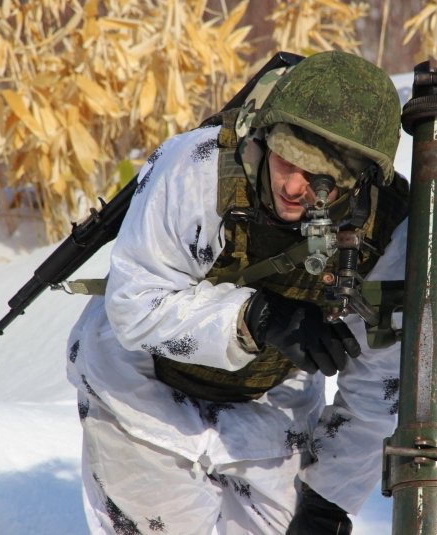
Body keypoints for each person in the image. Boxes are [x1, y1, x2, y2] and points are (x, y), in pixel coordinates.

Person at [66, 50, 409, 535]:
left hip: (270, 404)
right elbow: (135, 304)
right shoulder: (198, 168)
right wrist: (256, 318)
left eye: (319, 178)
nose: (293, 185)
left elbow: (381, 384)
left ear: (361, 179)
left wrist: (329, 500)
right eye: (286, 157)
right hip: (143, 394)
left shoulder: (386, 229)